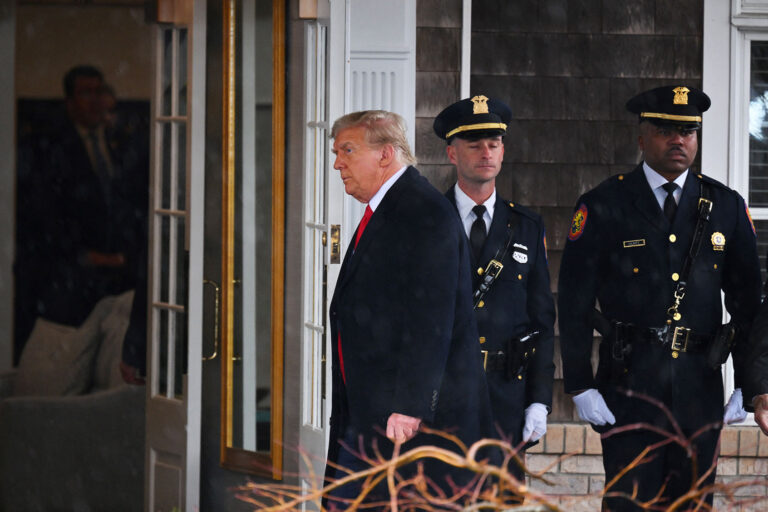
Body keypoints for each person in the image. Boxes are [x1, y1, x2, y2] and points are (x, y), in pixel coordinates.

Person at [558, 85, 762, 511]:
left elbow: (748, 304)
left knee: (693, 504)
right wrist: (579, 383)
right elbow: (574, 302)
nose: (679, 140)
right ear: (642, 137)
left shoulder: (724, 206)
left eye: (688, 130)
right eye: (666, 130)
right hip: (628, 386)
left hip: (697, 387)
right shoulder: (603, 204)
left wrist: (749, 382)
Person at [324, 110, 493, 505]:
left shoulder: (423, 212)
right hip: (371, 413)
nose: (337, 163)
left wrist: (408, 407)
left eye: (347, 150)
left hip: (407, 425)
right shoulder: (390, 209)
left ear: (386, 154)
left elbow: (431, 319)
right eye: (336, 152)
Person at [433, 96, 555, 472]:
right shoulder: (429, 223)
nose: (486, 152)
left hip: (506, 395)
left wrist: (539, 400)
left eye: (494, 144)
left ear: (503, 151)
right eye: (474, 145)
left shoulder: (526, 226)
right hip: (443, 395)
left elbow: (542, 321)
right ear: (453, 154)